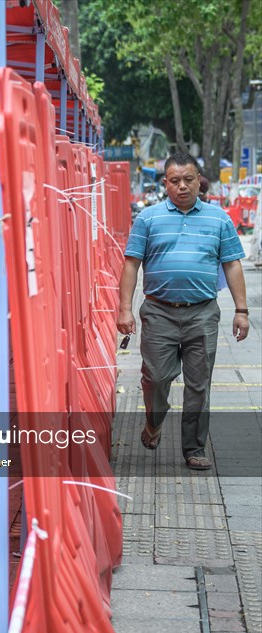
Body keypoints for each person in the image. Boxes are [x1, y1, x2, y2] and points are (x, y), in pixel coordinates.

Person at [117, 151, 249, 471]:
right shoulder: (148, 218)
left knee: (198, 384)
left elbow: (232, 264)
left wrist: (241, 310)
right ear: (166, 183)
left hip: (202, 313)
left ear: (198, 181)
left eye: (188, 180)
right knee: (156, 378)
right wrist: (125, 310)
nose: (182, 187)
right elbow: (132, 265)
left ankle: (194, 447)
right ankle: (153, 423)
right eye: (175, 181)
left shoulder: (219, 219)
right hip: (158, 312)